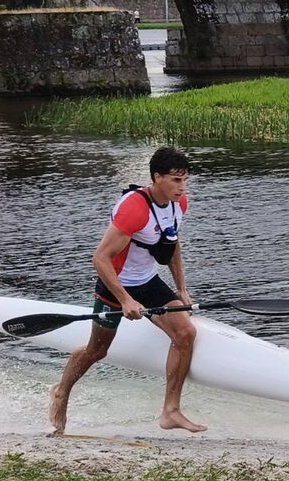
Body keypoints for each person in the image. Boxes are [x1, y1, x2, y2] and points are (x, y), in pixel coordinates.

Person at [49, 147, 206, 434]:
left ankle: (171, 411)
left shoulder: (178, 204)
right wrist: (124, 299)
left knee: (185, 333)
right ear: (157, 178)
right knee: (97, 351)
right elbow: (100, 258)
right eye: (175, 180)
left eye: (185, 180)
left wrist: (182, 289)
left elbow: (172, 245)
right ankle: (61, 391)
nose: (182, 188)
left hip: (147, 282)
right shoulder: (134, 208)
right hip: (115, 285)